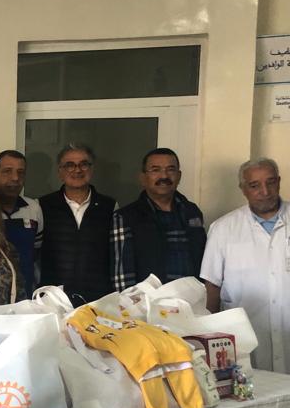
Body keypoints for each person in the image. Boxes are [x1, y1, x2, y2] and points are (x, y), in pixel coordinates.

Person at [200, 158, 289, 373]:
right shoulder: (223, 229)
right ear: (243, 188)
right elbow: (212, 287)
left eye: (270, 182)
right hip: (246, 340)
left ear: (279, 182)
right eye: (254, 185)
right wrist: (210, 340)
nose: (264, 191)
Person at [111, 147, 206, 291]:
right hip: (150, 301)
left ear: (179, 176)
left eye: (171, 170)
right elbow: (121, 275)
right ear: (143, 178)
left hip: (192, 299)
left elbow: (204, 261)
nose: (164, 176)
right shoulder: (126, 217)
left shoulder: (192, 212)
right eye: (155, 170)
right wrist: (130, 302)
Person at [38, 143, 116, 304]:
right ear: (60, 172)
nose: (77, 170)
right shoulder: (43, 206)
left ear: (92, 169)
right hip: (54, 298)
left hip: (99, 298)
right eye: (70, 165)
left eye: (84, 164)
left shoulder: (110, 206)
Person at [0, 149, 42, 297]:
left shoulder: (33, 208)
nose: (15, 178)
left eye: (21, 172)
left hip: (25, 295)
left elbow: (36, 252)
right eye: (7, 171)